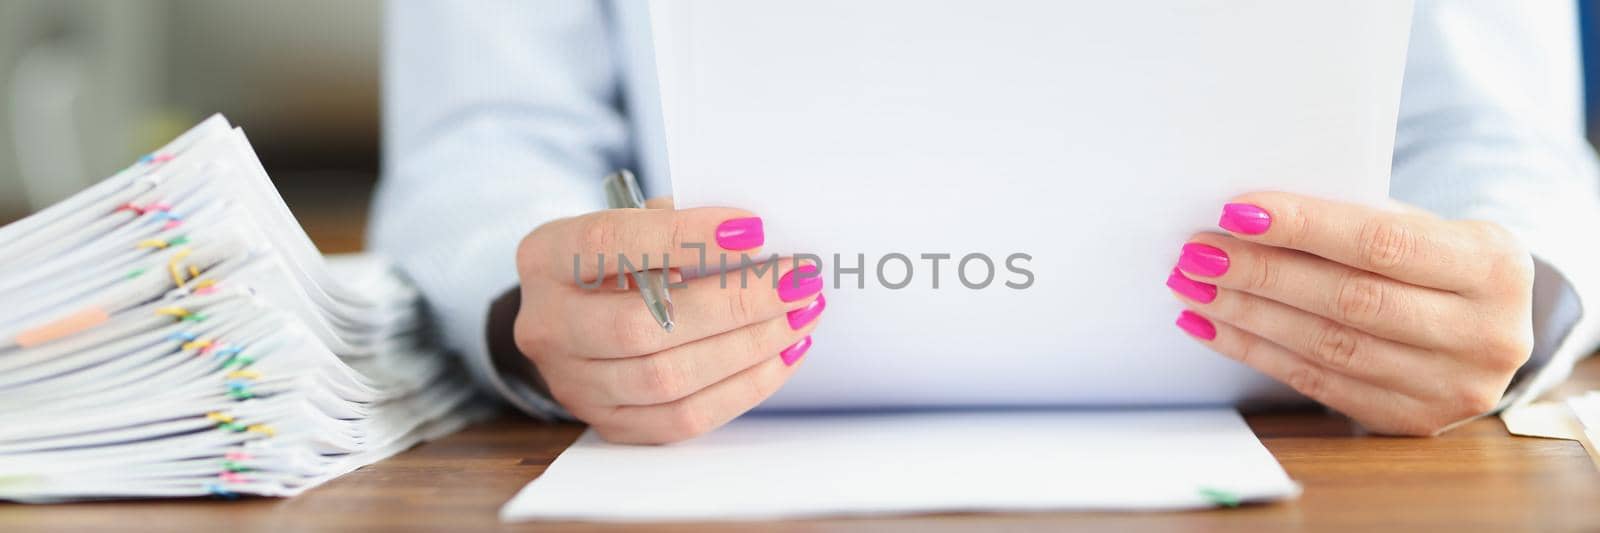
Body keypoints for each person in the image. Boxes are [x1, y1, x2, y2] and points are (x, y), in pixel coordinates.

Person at [373, 1, 1600, 444]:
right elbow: (487, 140)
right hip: (707, 434)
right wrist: (529, 299)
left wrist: (1509, 290)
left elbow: (1500, 140)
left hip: (1310, 436)